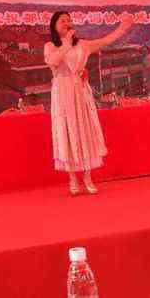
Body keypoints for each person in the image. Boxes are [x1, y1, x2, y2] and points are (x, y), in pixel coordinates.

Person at [44, 11, 135, 195]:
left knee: (85, 130)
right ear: (54, 25)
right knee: (67, 131)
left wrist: (123, 28)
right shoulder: (50, 46)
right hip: (62, 93)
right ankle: (72, 178)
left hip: (80, 91)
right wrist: (66, 42)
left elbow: (106, 40)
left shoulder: (83, 45)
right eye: (62, 21)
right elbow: (53, 61)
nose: (67, 23)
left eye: (69, 20)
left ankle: (87, 176)